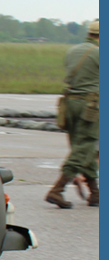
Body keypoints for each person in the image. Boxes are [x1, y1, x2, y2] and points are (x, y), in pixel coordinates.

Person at [46, 20, 99, 208]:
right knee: (84, 147)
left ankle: (95, 193)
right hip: (90, 107)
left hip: (69, 104)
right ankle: (57, 190)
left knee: (83, 147)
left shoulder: (73, 51)